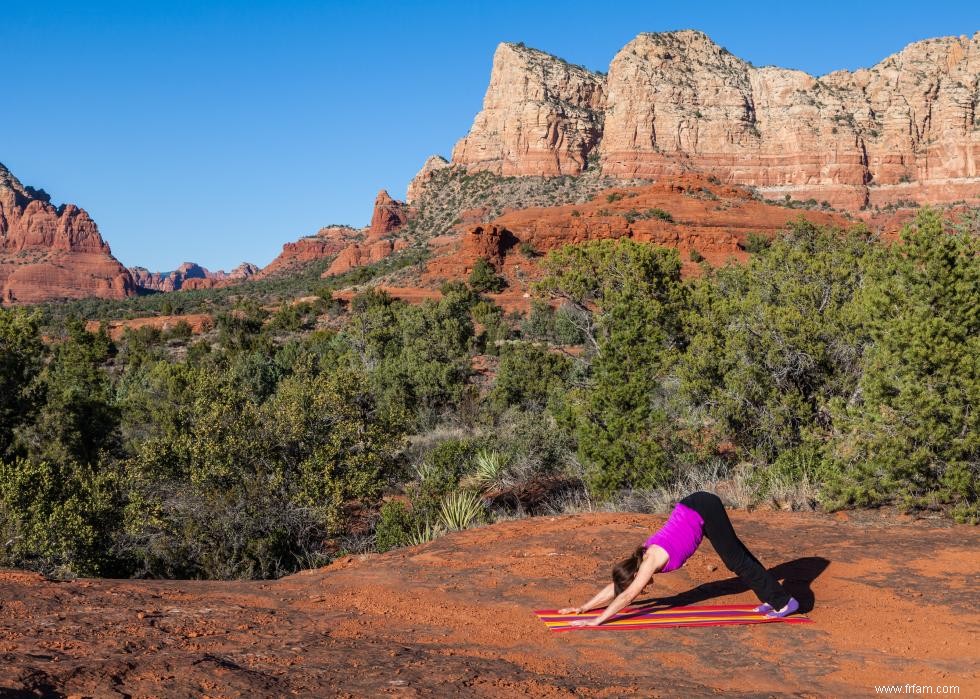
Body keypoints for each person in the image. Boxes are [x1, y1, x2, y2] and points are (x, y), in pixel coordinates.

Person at [559, 491, 799, 627]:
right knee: (736, 556)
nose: (640, 588)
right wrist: (583, 608)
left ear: (635, 574)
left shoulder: (649, 559)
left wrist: (597, 620)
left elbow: (628, 594)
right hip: (694, 507)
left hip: (703, 508)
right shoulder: (639, 557)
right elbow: (619, 587)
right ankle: (771, 596)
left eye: (636, 582)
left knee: (735, 560)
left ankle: (784, 602)